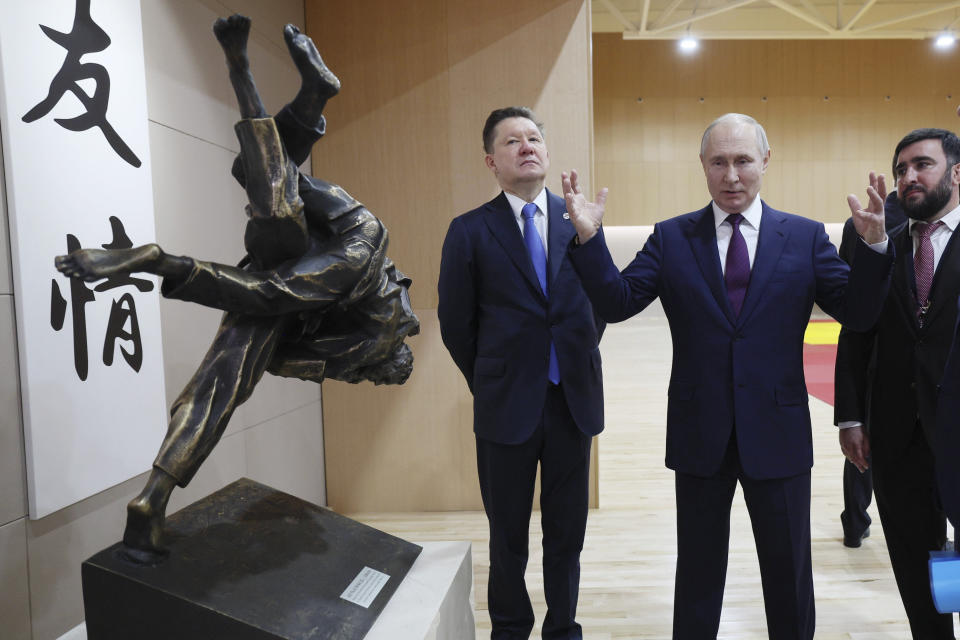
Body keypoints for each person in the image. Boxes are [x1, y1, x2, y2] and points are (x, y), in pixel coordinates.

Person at [55, 15, 419, 560]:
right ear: (385, 368)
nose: (366, 382)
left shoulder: (377, 334)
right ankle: (156, 261)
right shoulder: (370, 346)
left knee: (263, 189)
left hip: (338, 238)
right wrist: (169, 269)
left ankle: (289, 88)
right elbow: (278, 320)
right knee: (246, 334)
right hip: (342, 260)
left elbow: (279, 327)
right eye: (376, 381)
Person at [563, 112, 893, 640]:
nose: (732, 175)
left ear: (766, 160)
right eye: (719, 162)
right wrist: (589, 240)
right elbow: (619, 302)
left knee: (788, 575)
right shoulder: (671, 238)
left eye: (743, 160)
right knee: (696, 575)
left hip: (779, 432)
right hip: (700, 433)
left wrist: (875, 249)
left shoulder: (805, 238)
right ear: (703, 166)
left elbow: (857, 313)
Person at [437, 107, 604, 639]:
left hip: (570, 403)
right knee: (507, 532)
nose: (526, 147)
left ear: (547, 154)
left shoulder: (578, 223)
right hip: (505, 405)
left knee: (567, 533)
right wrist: (492, 378)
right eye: (512, 141)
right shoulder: (469, 231)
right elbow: (456, 324)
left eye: (534, 138)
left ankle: (563, 628)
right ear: (492, 160)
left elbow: (596, 305)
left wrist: (569, 360)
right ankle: (509, 629)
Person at [835, 128, 960, 638]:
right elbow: (855, 328)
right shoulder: (872, 234)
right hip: (897, 433)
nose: (909, 177)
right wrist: (850, 415)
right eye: (901, 168)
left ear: (955, 173)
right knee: (918, 557)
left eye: (922, 165)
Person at [835, 191, 907, 548]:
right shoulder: (863, 224)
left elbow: (849, 298)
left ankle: (854, 522)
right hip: (879, 347)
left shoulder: (855, 223)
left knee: (861, 444)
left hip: (867, 346)